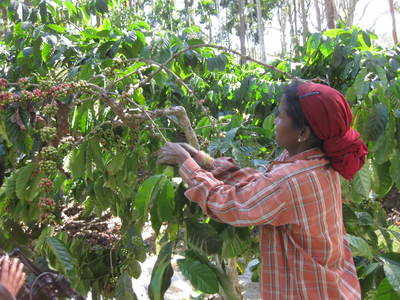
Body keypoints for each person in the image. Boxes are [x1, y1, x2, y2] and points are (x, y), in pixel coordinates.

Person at [157, 81, 367, 299]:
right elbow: (261, 185)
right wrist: (204, 162)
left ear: (303, 132)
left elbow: (233, 206)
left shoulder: (292, 179)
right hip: (332, 286)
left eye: (281, 116)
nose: (275, 122)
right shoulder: (315, 160)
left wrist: (186, 165)